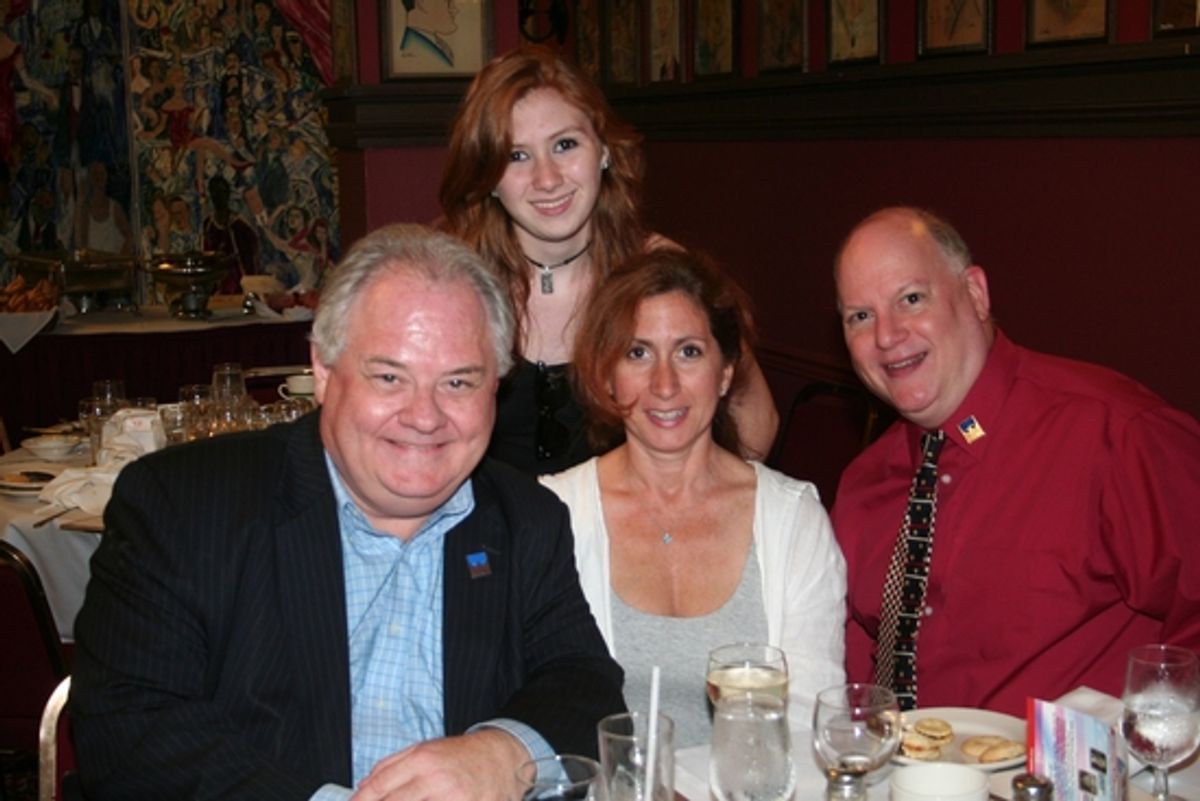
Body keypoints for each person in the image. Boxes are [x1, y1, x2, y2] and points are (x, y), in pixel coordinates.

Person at [70, 223, 625, 801]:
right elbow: (130, 731)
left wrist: (503, 754)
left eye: (459, 382)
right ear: (324, 371)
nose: (425, 416)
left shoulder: (526, 520)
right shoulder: (183, 506)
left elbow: (584, 684)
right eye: (389, 377)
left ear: (496, 388)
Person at [831, 206, 1200, 716]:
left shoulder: (1113, 435)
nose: (887, 336)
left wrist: (1143, 747)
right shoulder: (863, 483)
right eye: (860, 316)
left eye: (911, 299)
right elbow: (849, 677)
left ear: (976, 294)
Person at [540, 248, 845, 747]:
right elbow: (543, 720)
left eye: (688, 352)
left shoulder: (793, 520)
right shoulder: (553, 515)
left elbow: (812, 723)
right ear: (606, 375)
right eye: (637, 353)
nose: (664, 385)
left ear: (725, 372)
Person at [440, 45, 778, 476]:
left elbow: (756, 427)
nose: (547, 179)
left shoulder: (660, 273)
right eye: (517, 155)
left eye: (565, 145)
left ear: (603, 150)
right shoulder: (451, 283)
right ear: (487, 176)